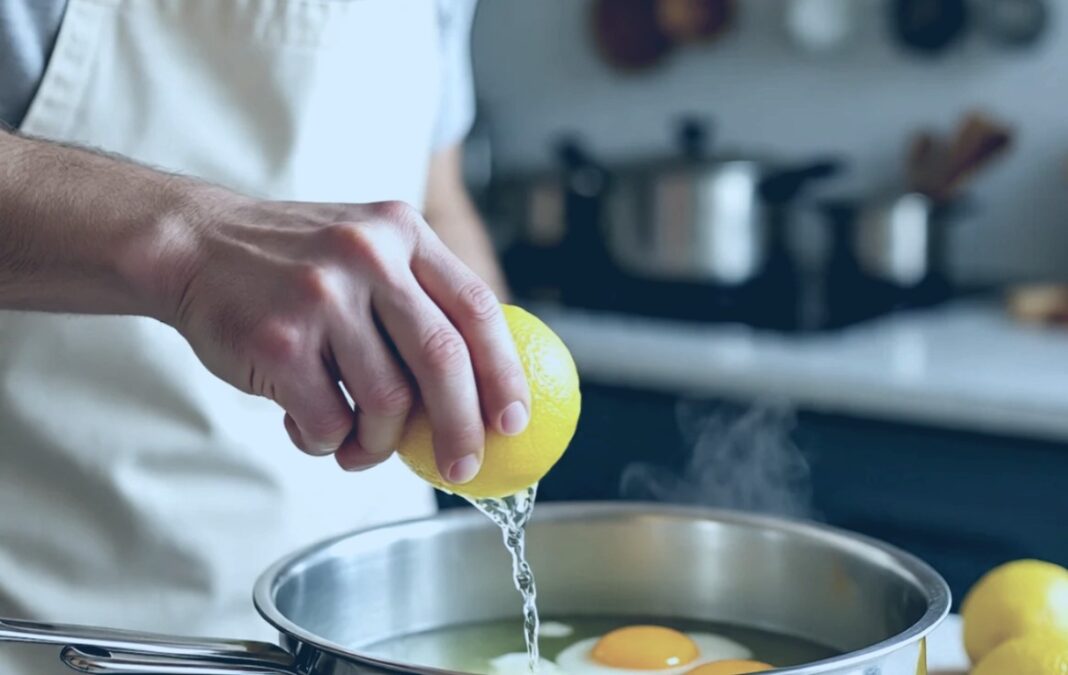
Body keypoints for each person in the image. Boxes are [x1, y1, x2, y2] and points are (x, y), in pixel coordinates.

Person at [0, 2, 527, 672]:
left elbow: (436, 192)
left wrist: (477, 342)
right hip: (52, 628)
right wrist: (190, 246)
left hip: (372, 632)